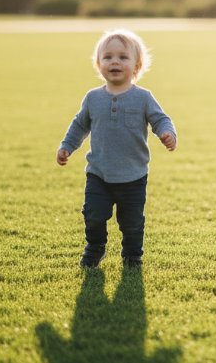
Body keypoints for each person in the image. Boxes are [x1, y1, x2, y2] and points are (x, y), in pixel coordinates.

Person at [56, 29, 177, 269]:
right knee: (93, 215)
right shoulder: (93, 98)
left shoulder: (142, 97)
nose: (115, 62)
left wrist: (167, 133)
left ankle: (133, 256)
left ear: (136, 65)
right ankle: (95, 248)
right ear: (98, 63)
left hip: (133, 175)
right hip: (98, 173)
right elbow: (79, 124)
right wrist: (67, 146)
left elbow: (160, 119)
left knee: (132, 222)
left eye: (123, 57)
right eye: (108, 57)